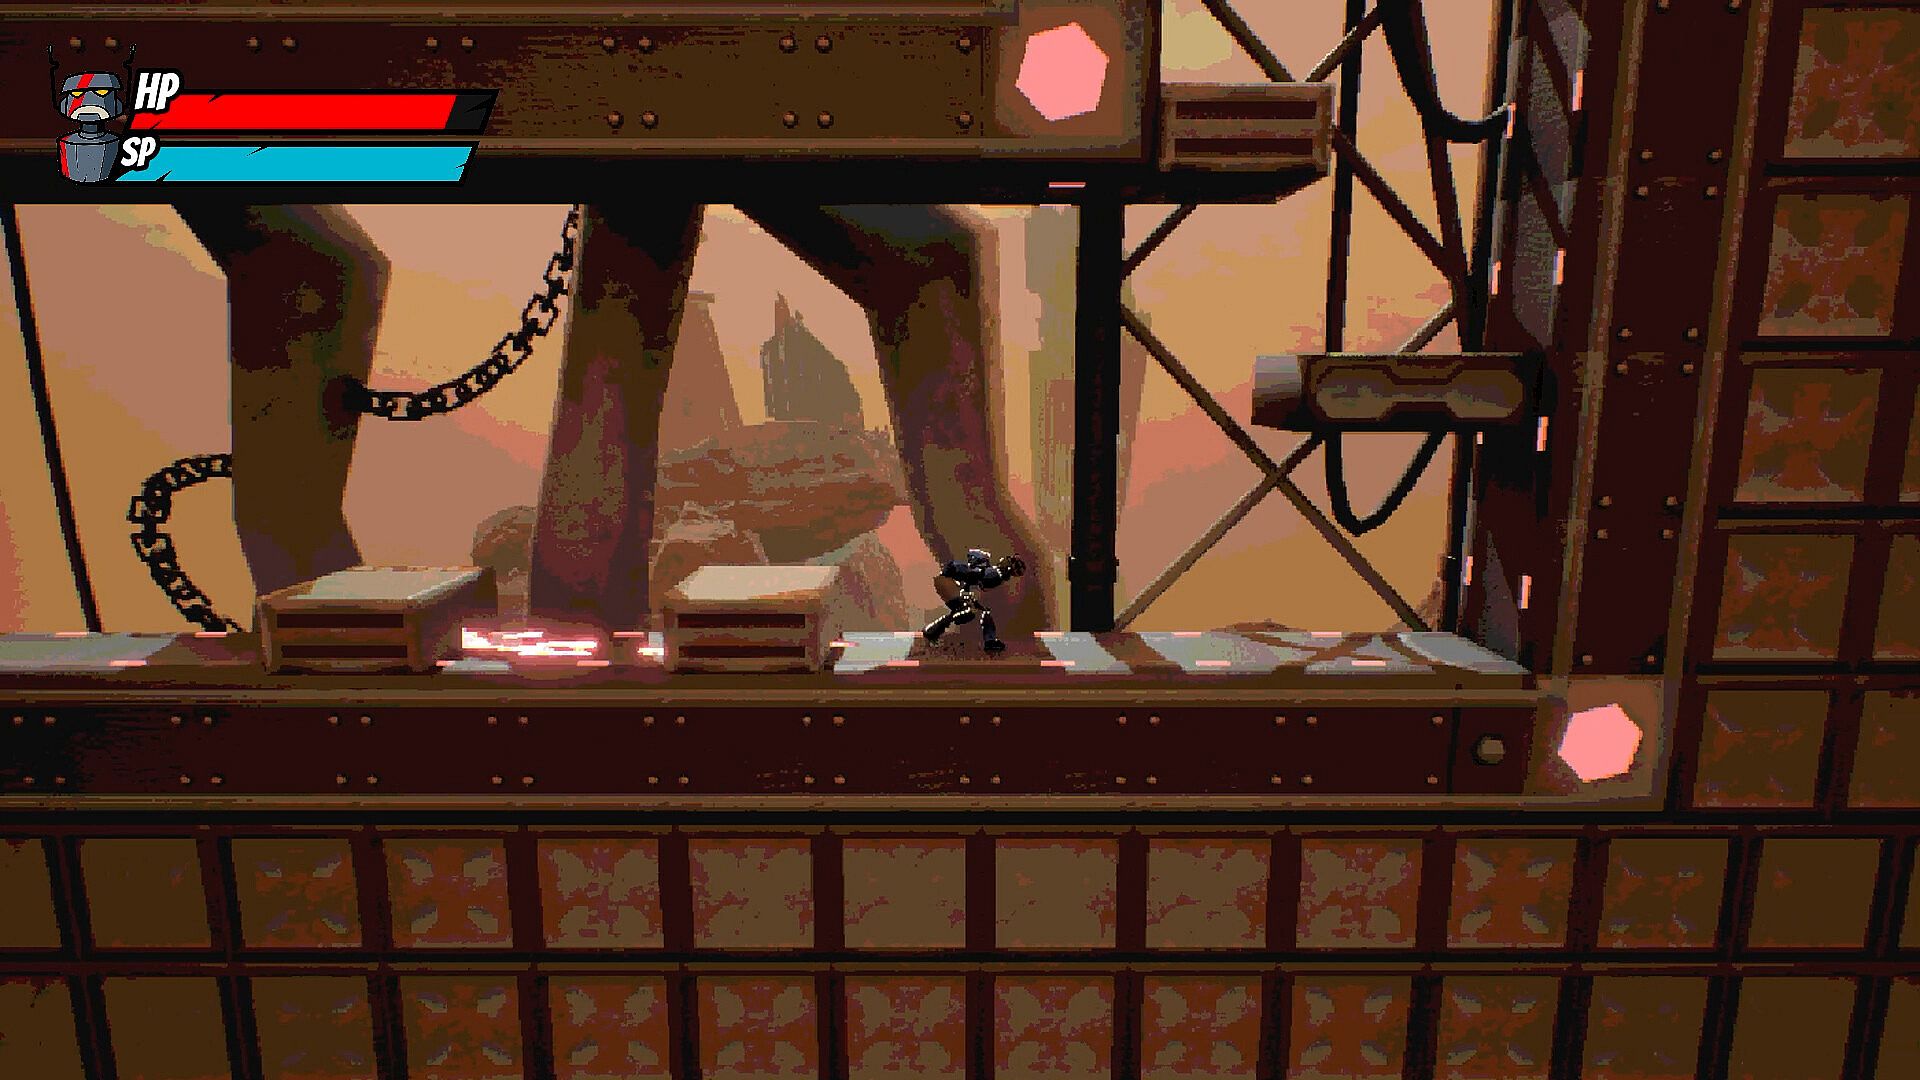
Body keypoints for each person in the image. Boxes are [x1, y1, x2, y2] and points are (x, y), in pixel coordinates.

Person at [923, 548, 1025, 652]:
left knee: (983, 611)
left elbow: (973, 582)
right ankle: (931, 631)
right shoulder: (983, 572)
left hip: (953, 583)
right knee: (966, 611)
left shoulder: (990, 574)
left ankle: (990, 641)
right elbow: (964, 574)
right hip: (946, 580)